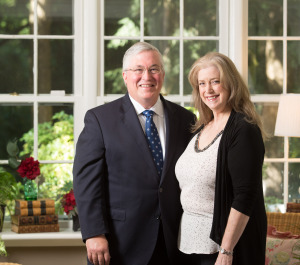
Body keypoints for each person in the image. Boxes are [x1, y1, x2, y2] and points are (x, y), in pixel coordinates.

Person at [73, 42, 195, 265]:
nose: (146, 76)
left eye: (154, 69)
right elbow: (86, 183)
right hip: (119, 243)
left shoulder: (185, 119)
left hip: (174, 243)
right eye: (138, 70)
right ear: (125, 76)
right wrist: (94, 233)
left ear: (163, 74)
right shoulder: (100, 120)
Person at [175, 52, 267, 265]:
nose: (208, 90)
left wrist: (226, 251)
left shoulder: (243, 129)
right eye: (202, 83)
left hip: (220, 251)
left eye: (216, 82)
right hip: (188, 245)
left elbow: (245, 195)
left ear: (231, 84)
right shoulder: (200, 127)